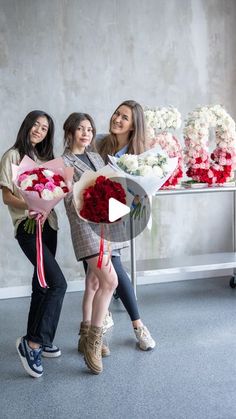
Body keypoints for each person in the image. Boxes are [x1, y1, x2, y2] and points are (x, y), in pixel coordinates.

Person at [0, 110, 67, 378]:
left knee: (42, 285)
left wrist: (48, 200)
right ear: (27, 125)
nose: (40, 130)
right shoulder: (12, 156)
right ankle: (33, 344)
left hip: (49, 226)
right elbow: (6, 197)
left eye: (45, 127)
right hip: (29, 229)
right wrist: (31, 204)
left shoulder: (44, 158)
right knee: (58, 283)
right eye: (36, 125)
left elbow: (53, 190)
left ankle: (38, 335)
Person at [62, 112, 128, 374]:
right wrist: (89, 201)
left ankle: (84, 332)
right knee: (111, 281)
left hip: (104, 226)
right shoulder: (63, 162)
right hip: (84, 227)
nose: (86, 133)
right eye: (80, 129)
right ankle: (93, 342)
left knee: (94, 282)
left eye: (89, 129)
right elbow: (68, 201)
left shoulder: (97, 157)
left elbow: (110, 187)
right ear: (69, 133)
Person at [95, 100, 156, 351]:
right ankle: (103, 321)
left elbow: (141, 190)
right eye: (116, 113)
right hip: (95, 212)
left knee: (113, 265)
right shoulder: (99, 142)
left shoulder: (139, 156)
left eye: (125, 118)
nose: (117, 119)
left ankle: (136, 325)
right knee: (99, 268)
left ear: (133, 126)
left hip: (121, 213)